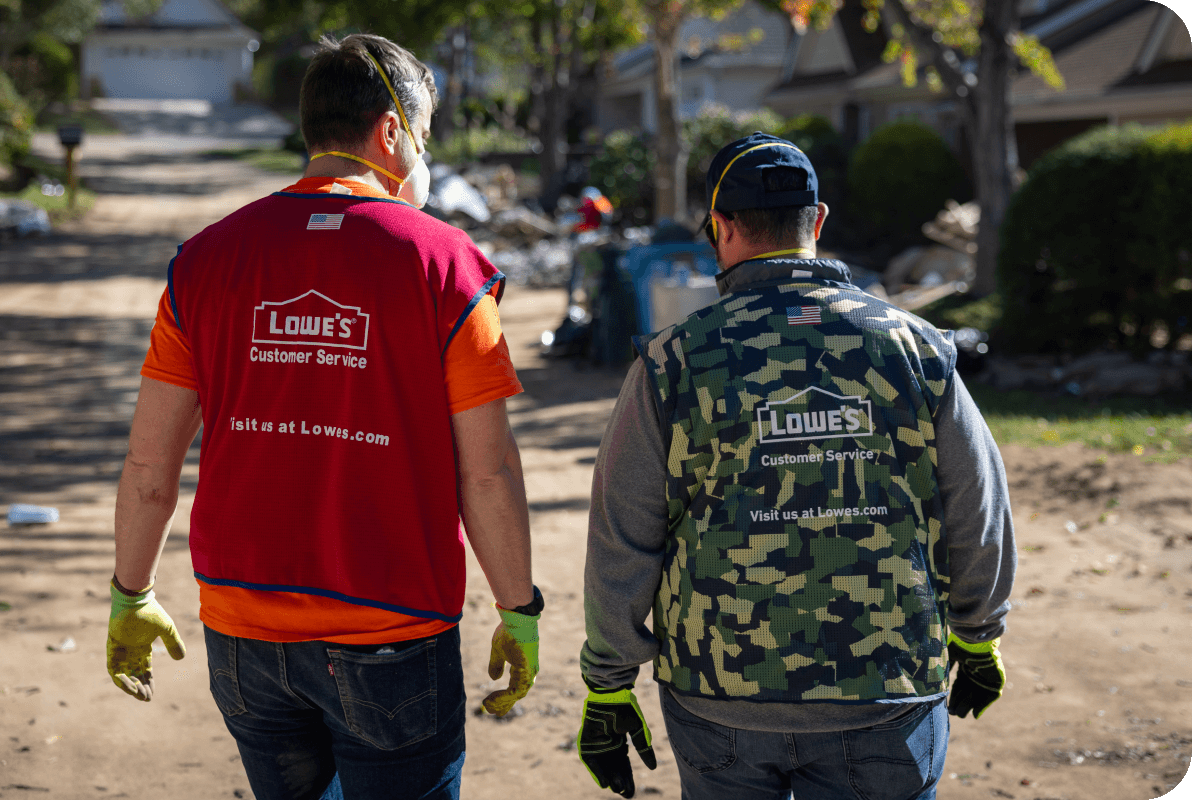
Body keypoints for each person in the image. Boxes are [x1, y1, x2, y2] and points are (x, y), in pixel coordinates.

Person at [106, 33, 542, 800]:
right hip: (393, 634)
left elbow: (149, 468)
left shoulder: (204, 262)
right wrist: (518, 605)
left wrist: (131, 594)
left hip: (243, 632)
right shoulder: (447, 266)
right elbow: (488, 470)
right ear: (391, 134)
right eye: (426, 136)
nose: (425, 157)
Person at [575, 132, 1015, 800]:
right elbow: (976, 505)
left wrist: (609, 683)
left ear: (719, 227)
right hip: (887, 691)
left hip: (719, 697)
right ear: (819, 221)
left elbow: (623, 531)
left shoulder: (672, 362)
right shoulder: (915, 350)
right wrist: (979, 634)